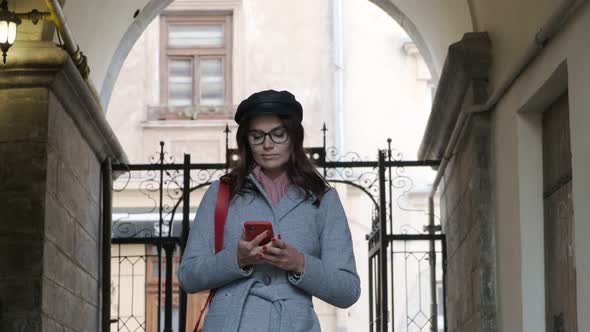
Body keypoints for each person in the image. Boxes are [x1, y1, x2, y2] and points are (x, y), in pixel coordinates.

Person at [178, 89, 361, 332]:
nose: (267, 145)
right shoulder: (221, 193)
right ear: (246, 142)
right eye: (257, 136)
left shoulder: (323, 199)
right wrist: (237, 258)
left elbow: (347, 290)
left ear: (294, 138)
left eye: (278, 134)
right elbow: (189, 276)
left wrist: (300, 263)